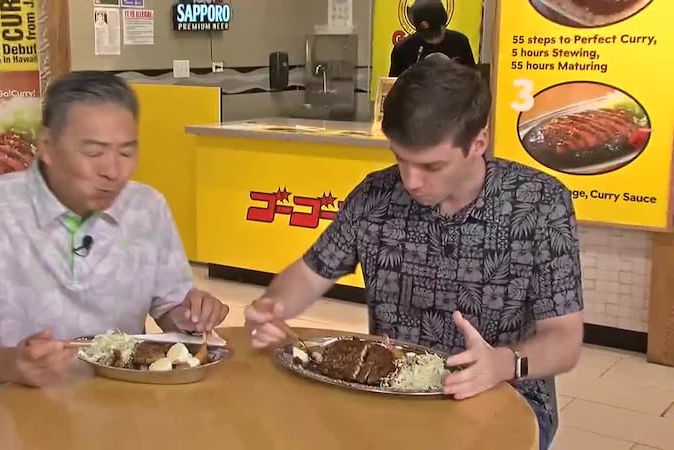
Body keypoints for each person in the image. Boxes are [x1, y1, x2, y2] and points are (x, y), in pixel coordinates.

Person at [244, 57, 583, 450]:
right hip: (388, 394)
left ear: (478, 143)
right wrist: (273, 305)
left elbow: (564, 340)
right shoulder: (375, 196)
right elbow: (308, 273)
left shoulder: (539, 204)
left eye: (431, 165)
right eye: (399, 158)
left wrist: (505, 362)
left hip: (502, 396)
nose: (411, 181)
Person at [0, 72, 230, 450]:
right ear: (47, 145)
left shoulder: (146, 207)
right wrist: (12, 365)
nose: (113, 171)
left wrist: (190, 314)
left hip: (123, 400)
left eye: (127, 151)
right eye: (94, 152)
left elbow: (170, 310)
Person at [388, 0, 476, 77]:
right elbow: (392, 86)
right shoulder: (403, 49)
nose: (436, 41)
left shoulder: (460, 43)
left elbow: (474, 81)